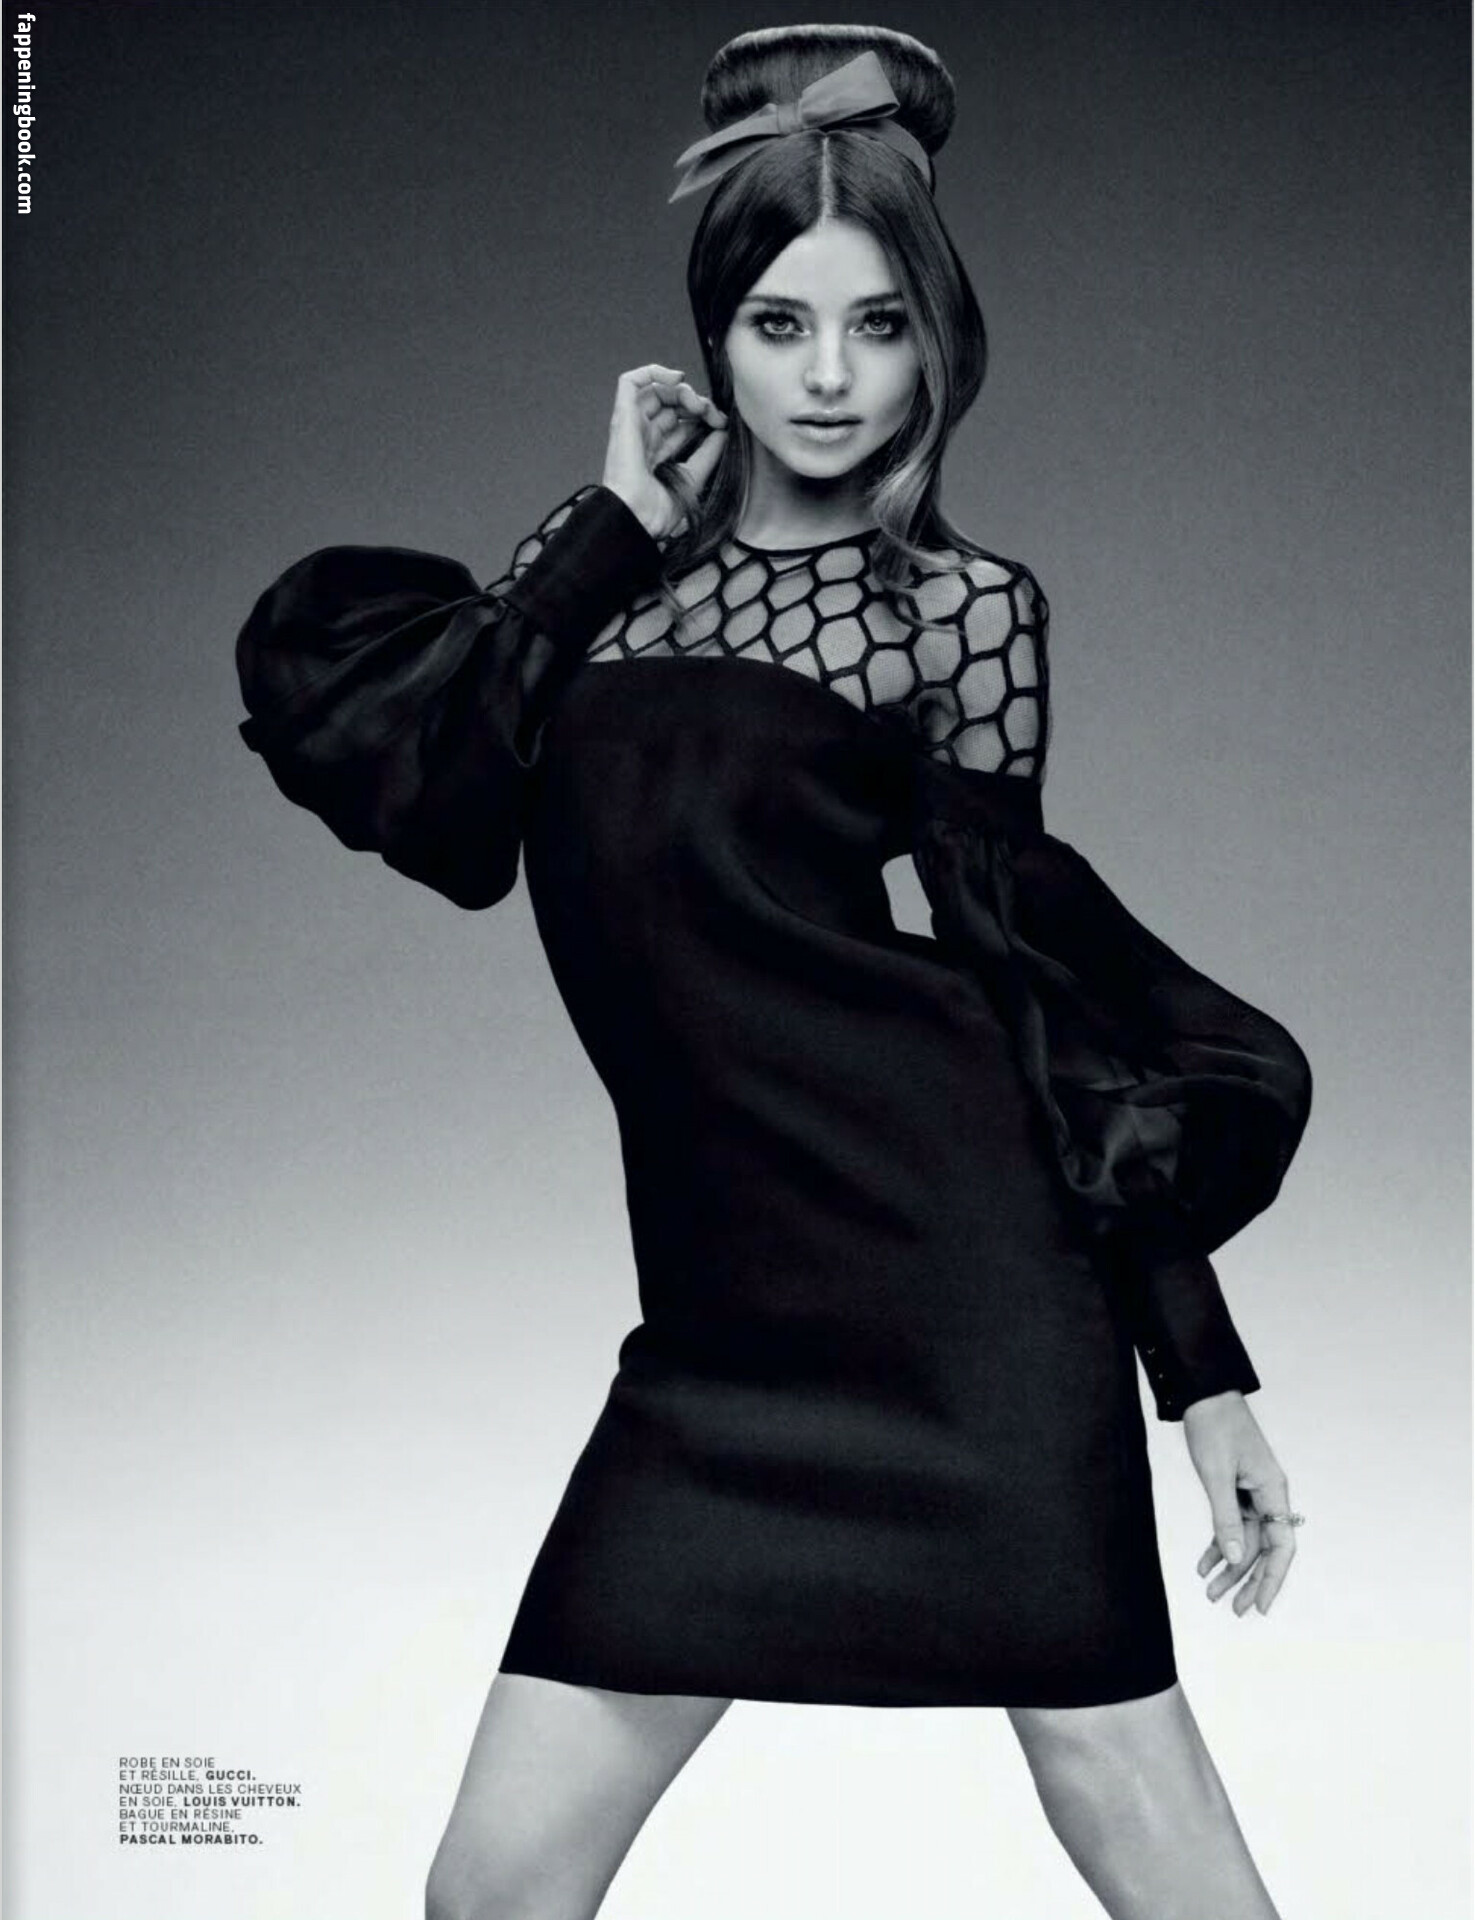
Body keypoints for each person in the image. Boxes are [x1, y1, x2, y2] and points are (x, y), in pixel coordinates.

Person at [234, 25, 1313, 1920]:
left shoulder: (957, 615)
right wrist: (602, 526)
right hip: (718, 1341)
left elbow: (1032, 982)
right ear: (709, 338)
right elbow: (432, 800)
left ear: (933, 340)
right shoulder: (603, 588)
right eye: (779, 324)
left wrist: (1200, 1373)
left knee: (1140, 1814)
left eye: (878, 326)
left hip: (971, 1291)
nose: (829, 377)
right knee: (486, 1893)